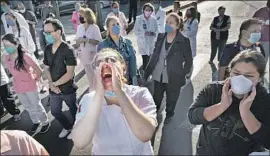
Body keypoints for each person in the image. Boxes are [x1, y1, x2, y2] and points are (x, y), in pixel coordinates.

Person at [72, 48, 157, 155]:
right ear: (95, 72)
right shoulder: (88, 100)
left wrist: (119, 91)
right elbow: (80, 142)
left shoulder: (140, 94)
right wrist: (98, 94)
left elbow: (145, 134)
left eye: (111, 60)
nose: (105, 65)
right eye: (99, 63)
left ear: (123, 68)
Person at [188, 51, 270, 155]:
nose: (241, 79)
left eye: (249, 76)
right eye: (236, 73)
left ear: (259, 78)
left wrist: (245, 113)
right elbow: (192, 117)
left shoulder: (265, 100)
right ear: (230, 72)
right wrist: (221, 106)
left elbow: (267, 141)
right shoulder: (213, 90)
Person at [144, 13, 193, 124]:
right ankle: (154, 114)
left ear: (177, 25)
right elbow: (155, 55)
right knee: (157, 97)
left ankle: (169, 114)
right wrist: (147, 72)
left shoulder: (183, 41)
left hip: (174, 76)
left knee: (172, 98)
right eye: (167, 22)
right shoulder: (161, 36)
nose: (168, 24)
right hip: (158, 75)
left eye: (171, 23)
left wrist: (182, 73)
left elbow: (189, 61)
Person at [2, 34, 50, 134]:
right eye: (5, 46)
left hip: (30, 85)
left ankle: (45, 122)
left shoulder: (25, 56)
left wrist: (35, 80)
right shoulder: (7, 58)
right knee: (27, 106)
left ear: (16, 44)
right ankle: (35, 121)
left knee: (36, 105)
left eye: (8, 45)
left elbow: (38, 70)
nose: (7, 48)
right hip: (18, 87)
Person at [43, 18, 78, 139]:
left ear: (58, 32)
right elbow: (46, 68)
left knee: (74, 109)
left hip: (67, 89)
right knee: (55, 111)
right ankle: (68, 127)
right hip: (54, 89)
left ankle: (77, 128)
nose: (46, 35)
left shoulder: (68, 50)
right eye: (45, 33)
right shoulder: (47, 48)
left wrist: (54, 84)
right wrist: (52, 84)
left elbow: (69, 74)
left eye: (49, 32)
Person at [98, 16, 137, 85]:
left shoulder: (127, 43)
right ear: (108, 28)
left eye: (118, 24)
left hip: (128, 81)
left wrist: (135, 80)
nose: (116, 26)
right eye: (113, 25)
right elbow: (101, 67)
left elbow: (133, 62)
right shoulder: (103, 46)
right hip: (112, 84)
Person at [76, 8, 102, 91]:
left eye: (81, 16)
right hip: (83, 55)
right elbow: (77, 40)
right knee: (89, 74)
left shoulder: (94, 27)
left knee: (96, 74)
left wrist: (87, 40)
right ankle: (93, 90)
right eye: (79, 16)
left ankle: (98, 90)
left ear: (87, 16)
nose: (80, 17)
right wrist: (78, 42)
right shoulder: (80, 27)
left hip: (92, 55)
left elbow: (98, 41)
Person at [134, 3, 158, 70]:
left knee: (150, 57)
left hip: (151, 42)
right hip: (142, 43)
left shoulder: (154, 20)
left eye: (149, 10)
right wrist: (144, 33)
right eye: (146, 10)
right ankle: (145, 70)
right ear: (143, 10)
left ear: (151, 11)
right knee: (144, 58)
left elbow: (157, 31)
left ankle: (148, 70)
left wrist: (153, 34)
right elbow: (135, 31)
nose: (148, 11)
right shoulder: (139, 19)